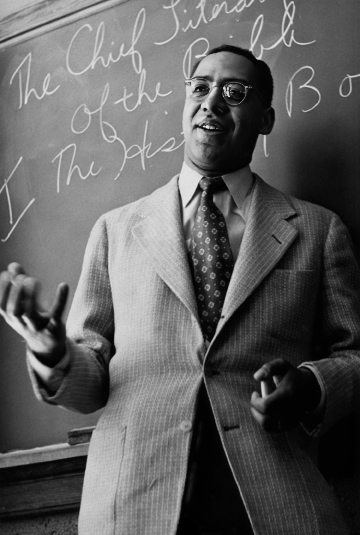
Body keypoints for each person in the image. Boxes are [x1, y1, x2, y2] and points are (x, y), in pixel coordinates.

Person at [1, 44, 360, 535]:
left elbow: (354, 354)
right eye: (200, 87)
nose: (212, 101)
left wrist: (312, 385)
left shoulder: (319, 230)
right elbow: (92, 383)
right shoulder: (115, 229)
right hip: (133, 504)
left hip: (274, 502)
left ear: (266, 119)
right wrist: (53, 353)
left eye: (235, 92)